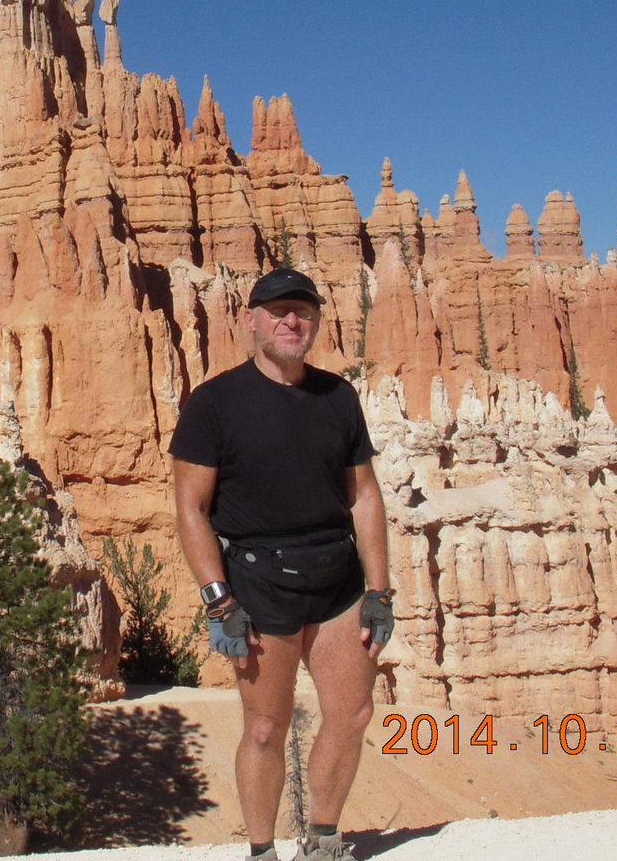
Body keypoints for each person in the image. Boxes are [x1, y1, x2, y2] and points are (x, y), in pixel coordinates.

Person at [170, 267, 393, 861]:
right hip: (258, 583)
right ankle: (262, 851)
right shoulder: (214, 403)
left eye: (303, 311)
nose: (291, 321)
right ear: (251, 320)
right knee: (266, 728)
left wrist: (379, 591)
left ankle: (323, 840)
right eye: (277, 312)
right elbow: (191, 509)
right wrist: (218, 600)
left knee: (352, 713)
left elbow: (364, 496)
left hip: (337, 580)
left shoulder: (338, 397)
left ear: (317, 321)